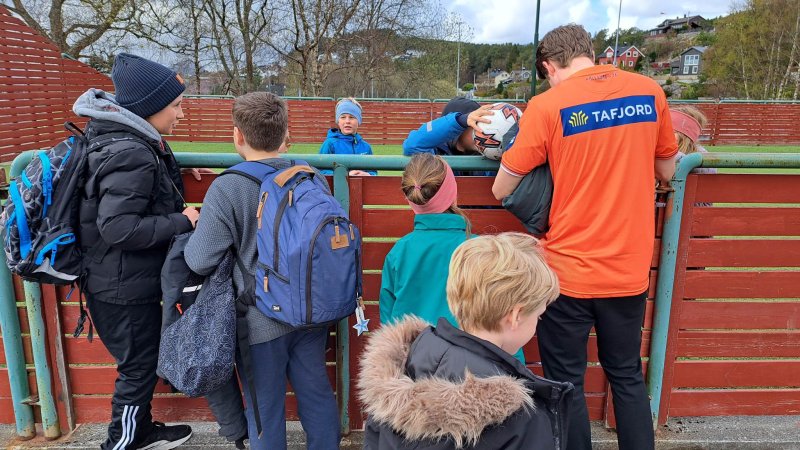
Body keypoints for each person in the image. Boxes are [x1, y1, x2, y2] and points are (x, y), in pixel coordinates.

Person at [492, 24, 678, 450]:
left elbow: (503, 187)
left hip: (566, 273)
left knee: (566, 382)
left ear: (548, 66)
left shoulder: (547, 105)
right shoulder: (649, 91)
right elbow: (667, 169)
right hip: (628, 270)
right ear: (590, 53)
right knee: (626, 374)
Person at [185, 92, 340, 450]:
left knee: (264, 409)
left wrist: (192, 225)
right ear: (285, 134)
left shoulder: (227, 186)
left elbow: (200, 259)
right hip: (310, 311)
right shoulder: (310, 175)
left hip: (259, 319)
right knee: (317, 394)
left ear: (237, 135)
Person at [74, 53, 197, 449]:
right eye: (175, 105)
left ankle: (139, 431)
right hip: (121, 287)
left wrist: (173, 176)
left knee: (140, 362)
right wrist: (183, 221)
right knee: (139, 367)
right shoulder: (132, 152)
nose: (181, 113)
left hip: (118, 279)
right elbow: (119, 227)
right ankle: (121, 442)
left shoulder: (124, 140)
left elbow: (131, 194)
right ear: (149, 108)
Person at [360, 232, 572, 449]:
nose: (537, 322)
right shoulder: (523, 419)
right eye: (538, 315)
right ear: (516, 315)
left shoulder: (398, 373)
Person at [402, 97, 495, 177]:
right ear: (460, 129)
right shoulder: (436, 153)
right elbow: (412, 146)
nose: (482, 131)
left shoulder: (490, 154)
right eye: (476, 124)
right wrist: (460, 120)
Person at [319, 97, 375, 176]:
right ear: (338, 121)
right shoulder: (330, 144)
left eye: (351, 117)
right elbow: (321, 171)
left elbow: (373, 172)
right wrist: (345, 175)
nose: (347, 121)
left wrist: (367, 174)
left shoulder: (366, 147)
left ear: (359, 121)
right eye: (343, 117)